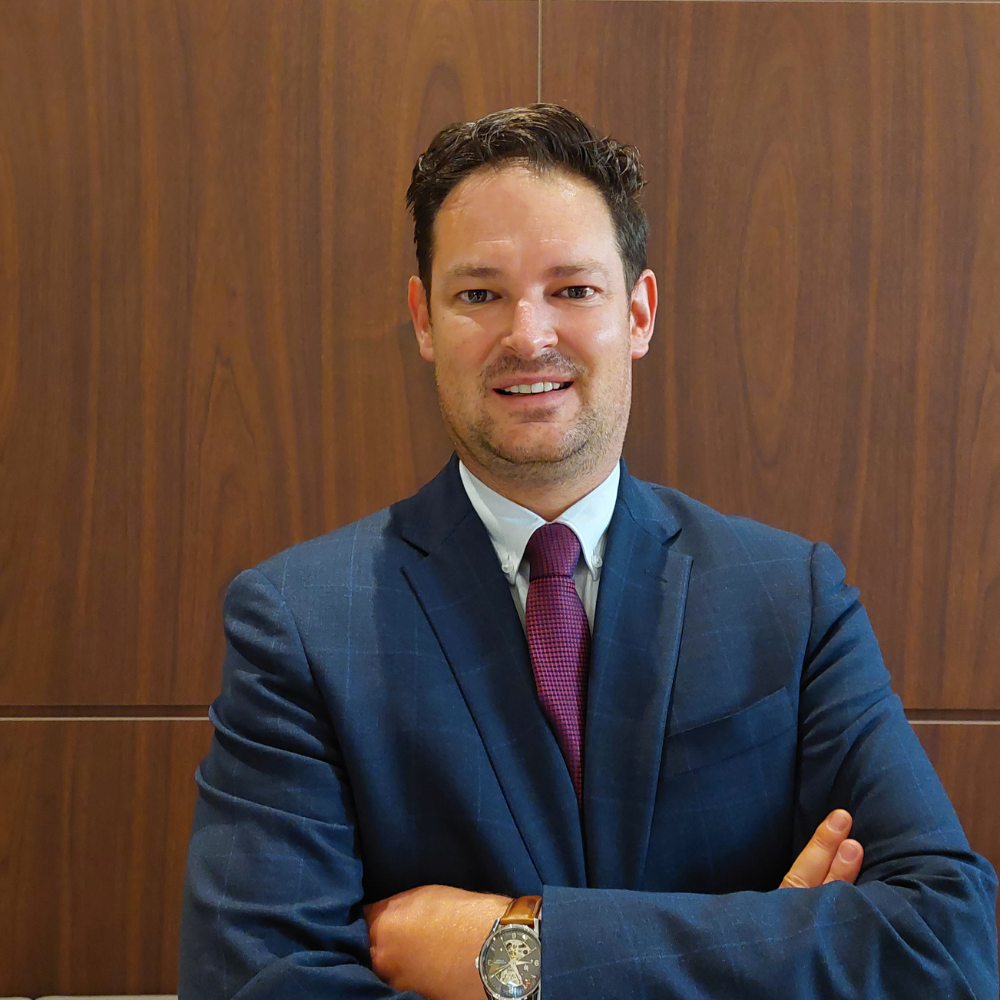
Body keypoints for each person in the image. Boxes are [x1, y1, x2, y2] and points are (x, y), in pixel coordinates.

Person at [179, 105, 998, 1000]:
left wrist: (515, 951)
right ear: (423, 319)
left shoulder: (792, 601)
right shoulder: (300, 625)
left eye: (573, 290)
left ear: (638, 313)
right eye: (479, 295)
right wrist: (763, 951)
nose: (529, 336)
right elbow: (254, 986)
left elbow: (949, 942)